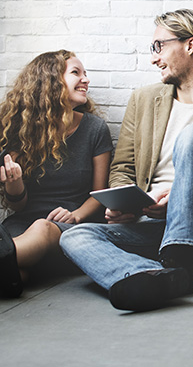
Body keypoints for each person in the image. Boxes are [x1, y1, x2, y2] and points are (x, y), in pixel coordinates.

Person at [59, 9, 193, 311]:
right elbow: (122, 170)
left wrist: (186, 195)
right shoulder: (143, 100)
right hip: (152, 227)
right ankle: (153, 275)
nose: (154, 58)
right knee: (74, 237)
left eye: (159, 46)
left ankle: (179, 254)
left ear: (190, 45)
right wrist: (123, 205)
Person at [0, 51, 113, 297]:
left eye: (85, 74)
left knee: (43, 227)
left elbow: (100, 193)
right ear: (51, 81)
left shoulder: (94, 129)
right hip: (23, 224)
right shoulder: (21, 130)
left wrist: (74, 215)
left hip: (72, 226)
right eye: (76, 73)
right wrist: (15, 183)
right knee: (16, 276)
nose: (86, 80)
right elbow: (17, 206)